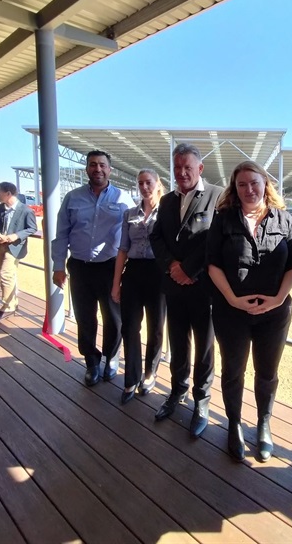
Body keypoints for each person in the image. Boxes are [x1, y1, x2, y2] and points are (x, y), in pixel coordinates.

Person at [207, 161, 292, 462]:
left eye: (254, 183)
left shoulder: (285, 220)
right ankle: (234, 425)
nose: (249, 189)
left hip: (274, 314)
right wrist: (233, 299)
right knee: (233, 370)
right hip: (230, 311)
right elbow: (212, 264)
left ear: (265, 184)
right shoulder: (223, 219)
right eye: (242, 184)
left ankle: (264, 424)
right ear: (234, 189)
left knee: (267, 372)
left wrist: (277, 299)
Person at [150, 143, 222, 438]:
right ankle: (177, 390)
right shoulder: (166, 200)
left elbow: (216, 241)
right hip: (174, 285)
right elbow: (156, 237)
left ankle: (202, 400)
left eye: (187, 168)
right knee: (177, 343)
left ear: (200, 168)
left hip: (203, 287)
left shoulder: (218, 196)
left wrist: (189, 269)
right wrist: (172, 266)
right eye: (177, 167)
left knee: (204, 348)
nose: (181, 173)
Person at [52, 150, 134, 386]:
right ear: (87, 169)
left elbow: (136, 229)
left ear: (110, 169)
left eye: (102, 165)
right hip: (79, 268)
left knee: (114, 319)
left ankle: (109, 357)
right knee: (85, 317)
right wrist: (58, 266)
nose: (97, 169)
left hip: (110, 269)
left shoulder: (123, 198)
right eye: (92, 165)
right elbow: (61, 234)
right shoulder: (72, 198)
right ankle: (91, 361)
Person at [111, 169, 166, 405]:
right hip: (133, 273)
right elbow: (122, 249)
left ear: (157, 184)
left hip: (158, 273)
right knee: (130, 327)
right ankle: (130, 379)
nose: (144, 186)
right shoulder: (129, 214)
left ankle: (149, 372)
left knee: (156, 327)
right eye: (140, 182)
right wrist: (116, 284)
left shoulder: (167, 213)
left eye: (148, 182)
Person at [0, 182, 37, 321]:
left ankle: (8, 307)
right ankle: (13, 302)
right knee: (2, 274)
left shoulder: (26, 210)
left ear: (8, 193)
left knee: (5, 275)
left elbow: (32, 228)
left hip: (14, 247)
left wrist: (16, 236)